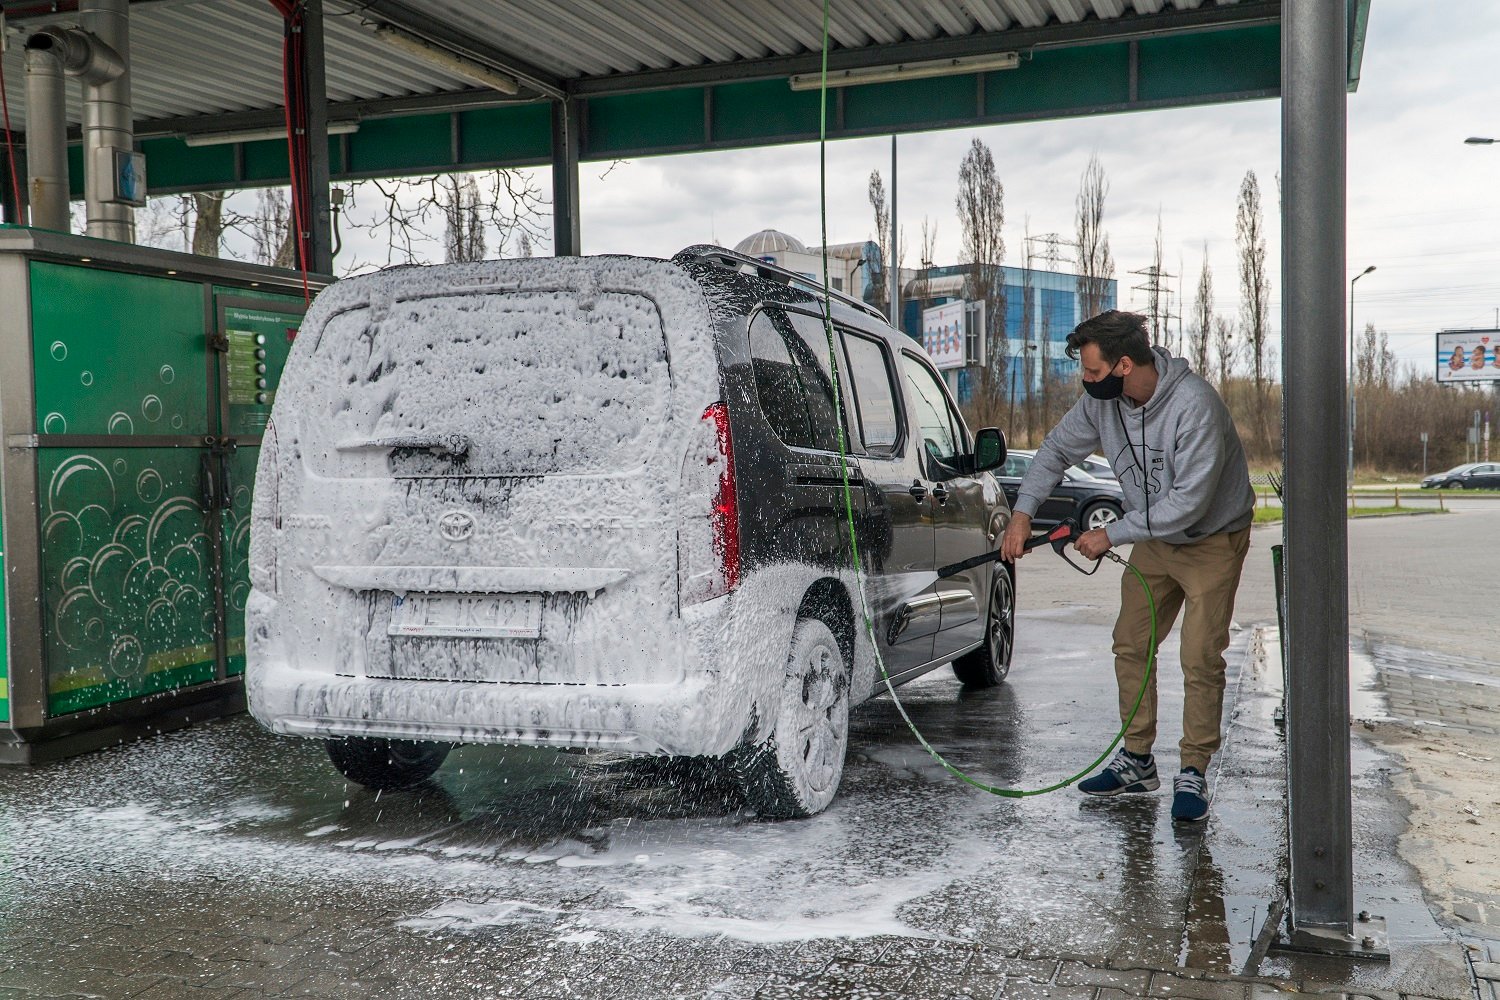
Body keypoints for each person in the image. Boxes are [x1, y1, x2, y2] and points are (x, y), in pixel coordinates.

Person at [999, 310, 1255, 823]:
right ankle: (1138, 760)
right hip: (1156, 540)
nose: (1085, 382)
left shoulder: (1194, 406)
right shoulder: (1104, 404)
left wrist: (1109, 533)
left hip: (1213, 537)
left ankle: (1194, 770)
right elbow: (1051, 452)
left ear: (1122, 364)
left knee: (1200, 657)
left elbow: (1188, 503)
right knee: (1131, 642)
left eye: (1092, 372)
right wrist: (1021, 516)